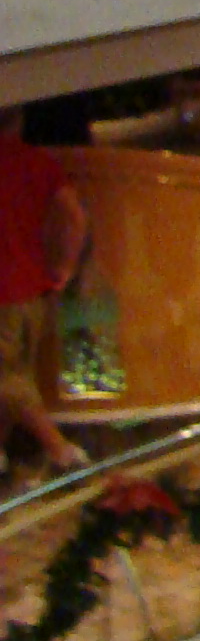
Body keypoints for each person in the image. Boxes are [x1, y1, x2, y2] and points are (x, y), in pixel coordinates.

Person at [0, 104, 91, 482]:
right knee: (18, 375)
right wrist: (66, 266)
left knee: (7, 379)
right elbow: (74, 215)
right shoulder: (39, 162)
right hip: (33, 287)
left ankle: (60, 450)